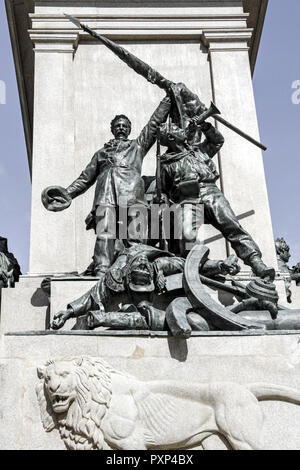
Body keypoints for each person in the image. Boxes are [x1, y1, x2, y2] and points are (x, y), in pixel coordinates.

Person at [42, 95, 171, 277]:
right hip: (106, 196)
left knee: (135, 238)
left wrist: (168, 100)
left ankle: (136, 271)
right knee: (105, 234)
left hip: (133, 195)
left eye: (124, 126)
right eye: (117, 125)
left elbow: (154, 123)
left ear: (129, 129)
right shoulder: (101, 153)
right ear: (112, 129)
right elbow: (85, 178)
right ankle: (101, 271)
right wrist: (66, 193)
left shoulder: (137, 146)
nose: (121, 128)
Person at [159, 118, 275, 281]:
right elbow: (163, 190)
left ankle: (256, 262)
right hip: (186, 200)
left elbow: (218, 141)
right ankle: (208, 267)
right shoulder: (165, 163)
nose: (182, 130)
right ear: (171, 137)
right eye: (177, 129)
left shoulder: (198, 150)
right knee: (186, 238)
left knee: (231, 225)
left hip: (210, 191)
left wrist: (205, 127)